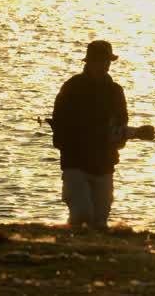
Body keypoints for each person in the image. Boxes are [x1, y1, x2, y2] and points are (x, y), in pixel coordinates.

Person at [51, 39, 130, 229]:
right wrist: (71, 146)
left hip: (104, 164)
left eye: (107, 61)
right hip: (75, 164)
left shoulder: (116, 91)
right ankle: (73, 244)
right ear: (89, 62)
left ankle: (85, 247)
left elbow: (120, 124)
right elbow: (59, 125)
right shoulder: (72, 87)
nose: (104, 65)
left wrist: (129, 135)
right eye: (100, 61)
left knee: (100, 222)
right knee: (83, 215)